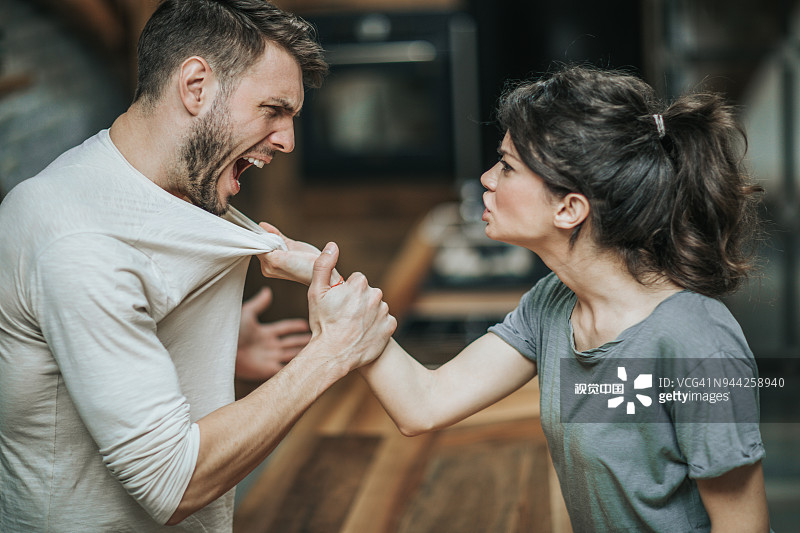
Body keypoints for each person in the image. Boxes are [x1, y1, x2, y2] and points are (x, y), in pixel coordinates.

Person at [0, 0, 395, 531]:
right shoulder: (78, 240)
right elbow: (171, 484)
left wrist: (220, 348)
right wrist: (328, 355)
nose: (287, 140)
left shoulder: (164, 189)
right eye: (273, 110)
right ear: (195, 86)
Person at [356, 65, 772, 532]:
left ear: (569, 208)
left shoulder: (695, 341)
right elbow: (423, 404)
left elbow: (743, 525)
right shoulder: (554, 302)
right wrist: (332, 292)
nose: (487, 179)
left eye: (508, 166)